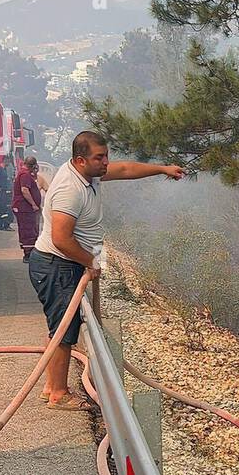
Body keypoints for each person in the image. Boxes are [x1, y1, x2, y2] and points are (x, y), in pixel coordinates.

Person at [29, 131, 184, 410]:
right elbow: (61, 239)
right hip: (57, 265)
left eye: (106, 156)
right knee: (64, 329)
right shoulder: (70, 189)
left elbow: (125, 169)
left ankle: (50, 386)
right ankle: (59, 394)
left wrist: (162, 168)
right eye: (99, 158)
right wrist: (90, 260)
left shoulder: (88, 174)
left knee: (59, 326)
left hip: (62, 264)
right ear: (80, 160)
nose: (105, 163)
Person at [12, 156, 43, 260]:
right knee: (28, 230)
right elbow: (25, 190)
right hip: (25, 208)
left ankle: (28, 251)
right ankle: (28, 254)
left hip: (24, 208)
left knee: (27, 229)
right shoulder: (25, 175)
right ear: (33, 165)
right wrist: (34, 204)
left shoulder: (25, 174)